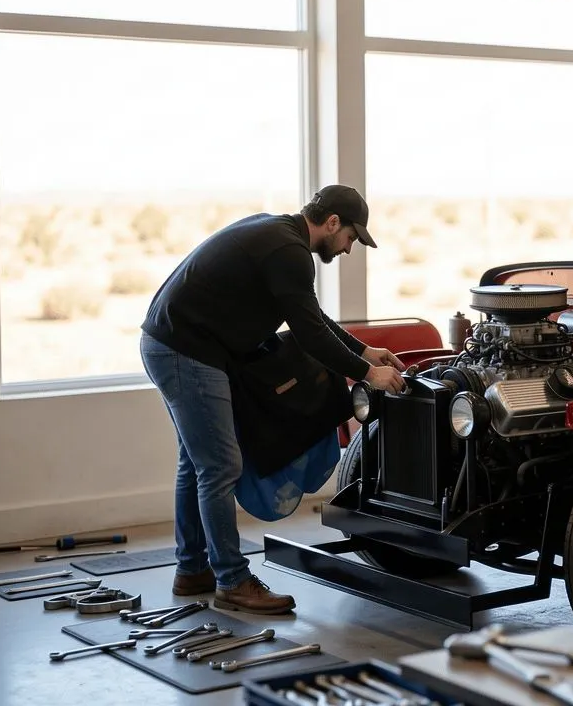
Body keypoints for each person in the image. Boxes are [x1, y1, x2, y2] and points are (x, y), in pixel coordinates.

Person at [139, 184, 406, 614]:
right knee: (221, 465)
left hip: (170, 344)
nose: (350, 249)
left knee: (198, 462)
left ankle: (192, 571)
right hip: (186, 352)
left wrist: (361, 351)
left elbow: (310, 315)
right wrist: (368, 375)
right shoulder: (289, 253)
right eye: (351, 238)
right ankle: (233, 580)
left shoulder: (278, 235)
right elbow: (309, 334)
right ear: (332, 222)